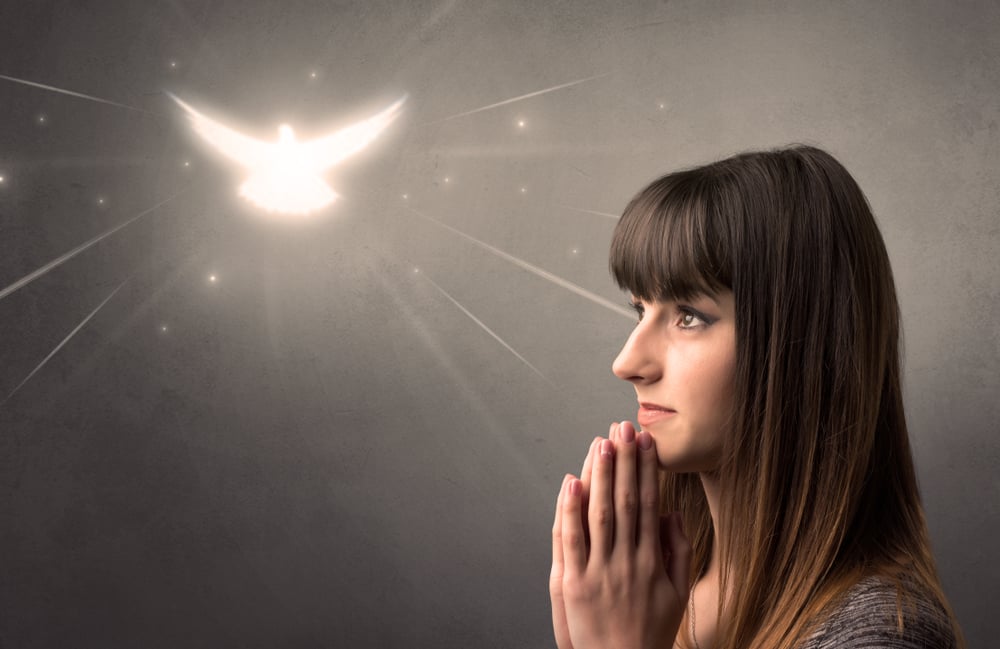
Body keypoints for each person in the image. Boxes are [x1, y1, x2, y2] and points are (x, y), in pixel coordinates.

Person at [549, 144, 965, 649]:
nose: (627, 364)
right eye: (641, 310)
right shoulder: (645, 591)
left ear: (804, 343)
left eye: (689, 316)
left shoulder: (878, 637)